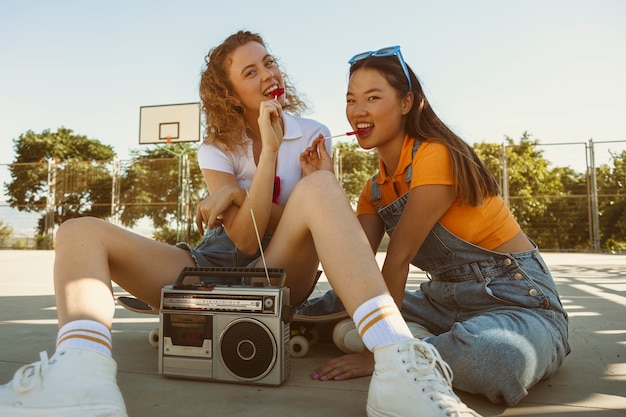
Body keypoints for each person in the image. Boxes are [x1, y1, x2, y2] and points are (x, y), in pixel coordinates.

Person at [0, 32, 481, 417]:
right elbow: (237, 237)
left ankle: (396, 362)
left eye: (268, 62)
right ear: (231, 94)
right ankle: (81, 376)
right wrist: (264, 162)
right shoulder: (215, 147)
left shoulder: (311, 134)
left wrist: (239, 193)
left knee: (317, 190)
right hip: (209, 264)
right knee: (77, 231)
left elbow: (271, 229)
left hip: (276, 272)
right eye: (251, 71)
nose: (267, 73)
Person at [298, 45, 571, 406]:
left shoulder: (435, 154)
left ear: (406, 102)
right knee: (330, 303)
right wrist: (326, 184)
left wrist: (380, 355)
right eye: (350, 100)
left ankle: (404, 346)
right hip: (443, 301)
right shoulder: (374, 190)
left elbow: (397, 259)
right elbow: (355, 268)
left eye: (372, 97)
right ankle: (416, 340)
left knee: (493, 358)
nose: (357, 111)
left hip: (516, 301)